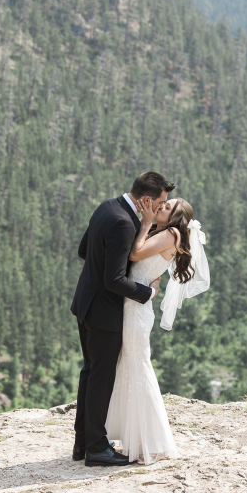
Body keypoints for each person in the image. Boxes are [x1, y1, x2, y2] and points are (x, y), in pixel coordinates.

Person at [70, 172, 175, 467]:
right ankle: (97, 449)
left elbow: (83, 250)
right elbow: (115, 280)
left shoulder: (107, 206)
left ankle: (82, 443)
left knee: (91, 372)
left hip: (85, 302)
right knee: (101, 378)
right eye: (161, 202)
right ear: (146, 201)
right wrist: (148, 292)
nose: (161, 207)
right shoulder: (123, 223)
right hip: (105, 313)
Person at [105, 196, 210, 465]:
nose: (161, 205)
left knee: (138, 369)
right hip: (132, 304)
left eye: (167, 206)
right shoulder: (166, 233)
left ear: (176, 217)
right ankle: (136, 439)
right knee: (130, 368)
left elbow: (134, 254)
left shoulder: (172, 233)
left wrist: (145, 223)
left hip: (136, 309)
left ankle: (150, 443)